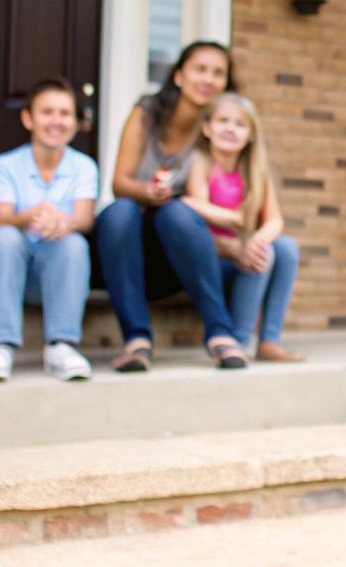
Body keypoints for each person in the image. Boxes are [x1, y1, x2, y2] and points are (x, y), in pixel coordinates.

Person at [94, 41, 248, 370]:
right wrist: (148, 192)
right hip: (130, 243)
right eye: (200, 70)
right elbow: (119, 183)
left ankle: (220, 333)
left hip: (181, 249)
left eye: (218, 73)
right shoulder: (145, 114)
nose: (208, 79)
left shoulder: (218, 130)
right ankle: (137, 341)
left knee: (177, 213)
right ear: (179, 76)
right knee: (118, 211)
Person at [0, 79, 98, 383]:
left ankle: (61, 344)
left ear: (76, 121)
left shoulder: (84, 166)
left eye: (65, 113)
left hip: (57, 274)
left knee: (74, 242)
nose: (57, 121)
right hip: (15, 274)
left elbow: (83, 219)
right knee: (3, 237)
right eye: (47, 112)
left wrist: (61, 222)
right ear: (28, 118)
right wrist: (33, 215)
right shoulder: (5, 164)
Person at [183, 92, 302, 362]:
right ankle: (239, 339)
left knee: (285, 247)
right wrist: (234, 219)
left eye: (240, 124)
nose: (230, 128)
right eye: (223, 120)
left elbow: (275, 220)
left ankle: (269, 340)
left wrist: (256, 240)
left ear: (250, 134)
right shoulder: (200, 162)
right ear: (207, 128)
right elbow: (195, 209)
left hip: (245, 253)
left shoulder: (255, 171)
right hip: (214, 256)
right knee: (265, 253)